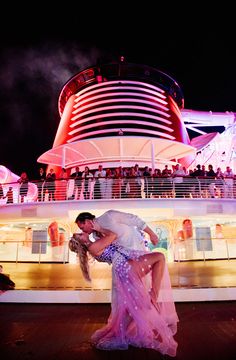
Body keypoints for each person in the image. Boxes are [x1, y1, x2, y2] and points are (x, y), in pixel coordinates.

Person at [69, 222, 178, 356]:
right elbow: (113, 235)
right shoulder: (93, 246)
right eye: (80, 235)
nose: (82, 232)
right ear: (82, 242)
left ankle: (127, 329)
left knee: (136, 305)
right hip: (126, 268)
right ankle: (153, 297)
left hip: (125, 266)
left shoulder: (94, 243)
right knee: (159, 258)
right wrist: (97, 227)